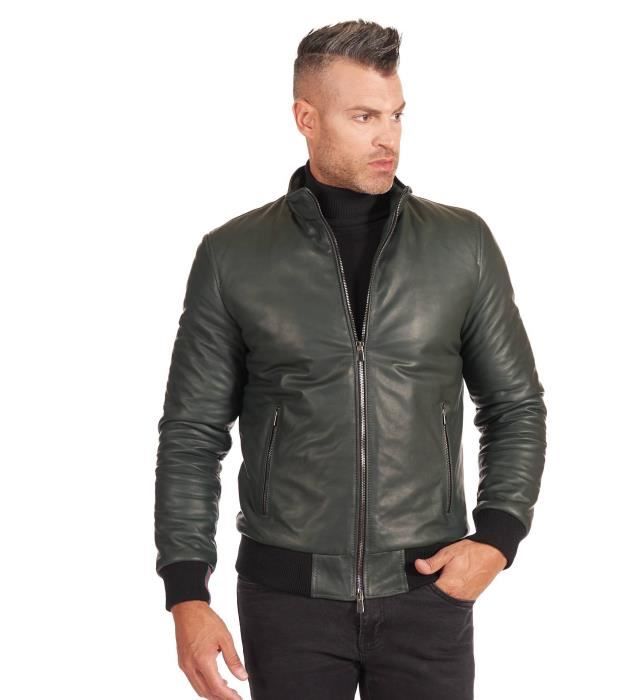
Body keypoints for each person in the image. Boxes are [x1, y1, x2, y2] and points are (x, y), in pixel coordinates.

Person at [154, 18, 547, 700]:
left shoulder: (462, 245)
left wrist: (498, 538)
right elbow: (192, 432)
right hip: (286, 602)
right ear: (306, 118)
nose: (387, 136)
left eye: (395, 115)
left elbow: (514, 406)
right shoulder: (232, 256)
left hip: (428, 593)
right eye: (364, 117)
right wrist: (186, 591)